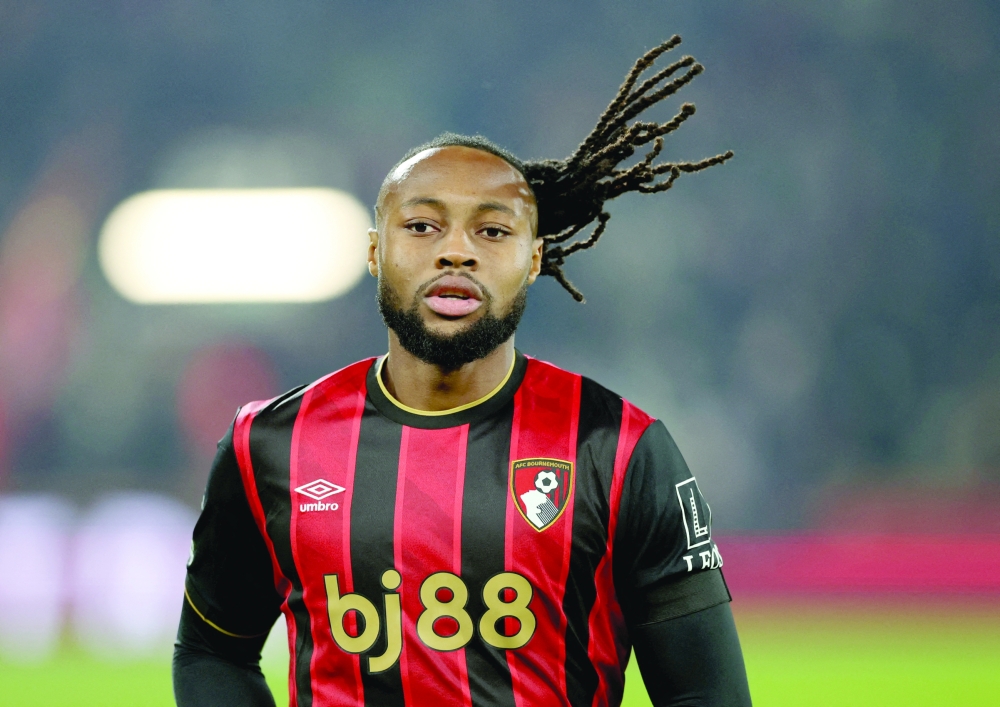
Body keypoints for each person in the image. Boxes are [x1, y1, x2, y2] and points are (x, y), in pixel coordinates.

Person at [173, 36, 751, 707]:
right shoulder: (269, 444)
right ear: (374, 252)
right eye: (421, 226)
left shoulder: (619, 448)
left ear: (534, 259)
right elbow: (214, 647)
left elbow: (704, 693)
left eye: (493, 231)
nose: (456, 251)